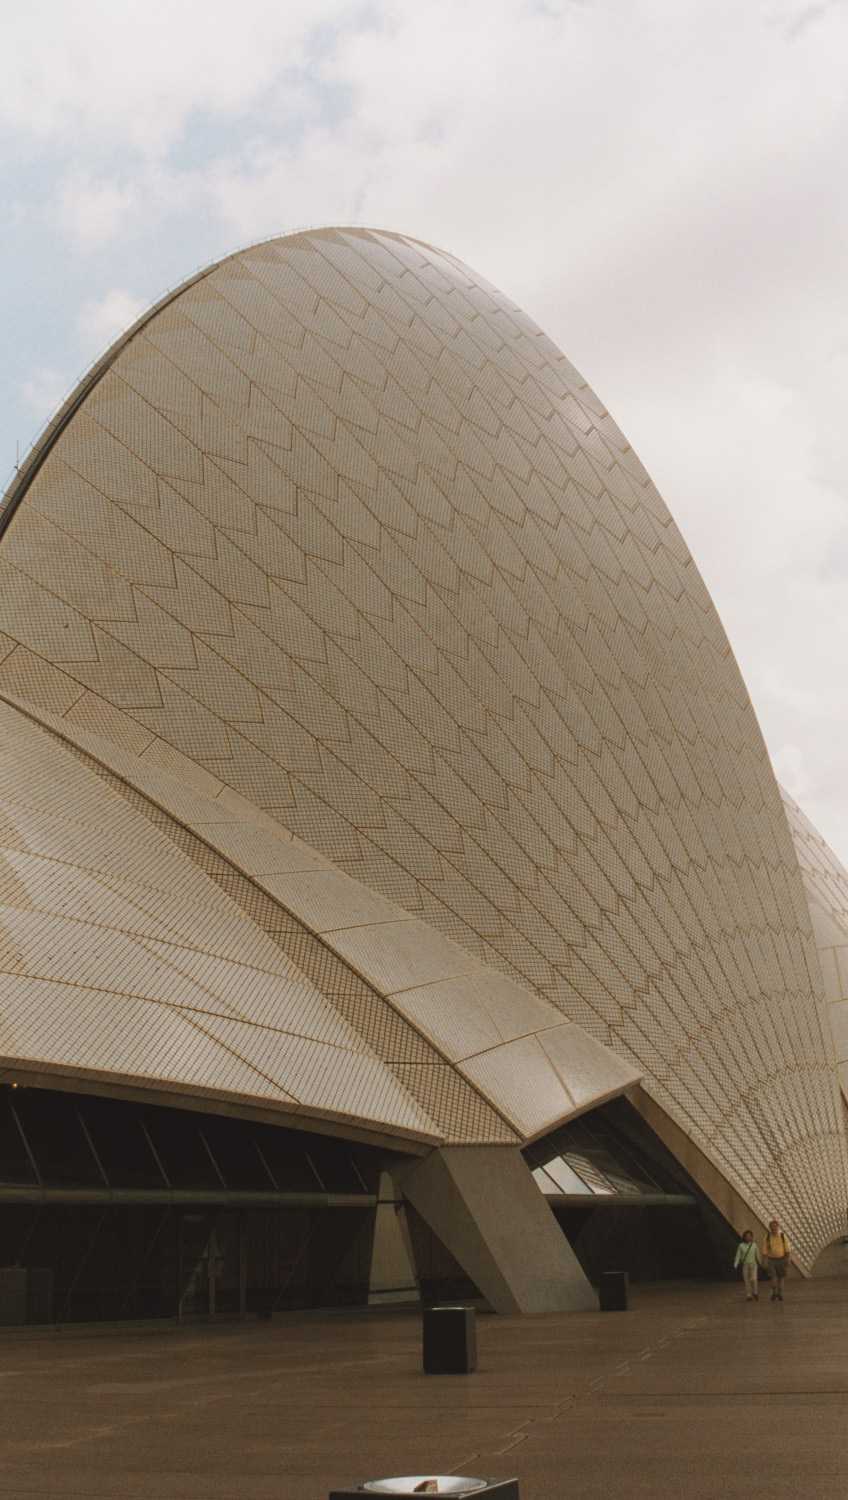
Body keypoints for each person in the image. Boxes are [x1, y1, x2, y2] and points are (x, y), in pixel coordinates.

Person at [762, 1218, 790, 1301]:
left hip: (782, 1259)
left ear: (778, 1227)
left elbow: (787, 1249)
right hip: (771, 1260)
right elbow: (764, 1250)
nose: (774, 1228)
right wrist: (764, 1260)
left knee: (781, 1277)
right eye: (772, 1227)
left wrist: (788, 1259)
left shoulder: (782, 1236)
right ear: (770, 1228)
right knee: (773, 1277)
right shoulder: (767, 1237)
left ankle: (780, 1294)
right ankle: (774, 1293)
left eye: (775, 1226)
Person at [733, 1229, 761, 1300]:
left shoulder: (754, 1245)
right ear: (744, 1237)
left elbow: (757, 1254)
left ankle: (755, 1292)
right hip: (745, 1265)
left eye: (749, 1236)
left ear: (752, 1237)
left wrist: (760, 1262)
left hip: (753, 1264)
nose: (748, 1237)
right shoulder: (741, 1246)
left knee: (753, 1279)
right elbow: (738, 1255)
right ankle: (749, 1295)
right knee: (746, 1280)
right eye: (746, 1236)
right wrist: (735, 1264)